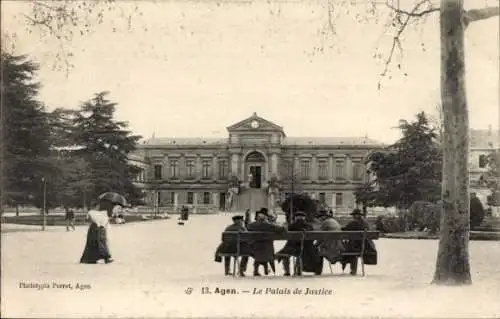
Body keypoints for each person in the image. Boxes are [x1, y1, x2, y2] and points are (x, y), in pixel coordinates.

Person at [276, 211, 322, 276]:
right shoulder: (309, 226)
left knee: (284, 254)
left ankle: (287, 271)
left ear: (295, 218)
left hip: (292, 247)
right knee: (300, 253)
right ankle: (298, 271)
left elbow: (289, 238)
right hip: (306, 248)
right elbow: (312, 239)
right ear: (304, 218)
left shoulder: (291, 226)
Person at [247, 210, 287, 276]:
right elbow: (280, 229)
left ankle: (256, 270)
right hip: (268, 249)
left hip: (255, 249)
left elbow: (247, 228)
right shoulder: (269, 226)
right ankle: (269, 269)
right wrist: (284, 227)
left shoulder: (252, 225)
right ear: (265, 218)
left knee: (257, 248)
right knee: (267, 246)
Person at [341, 208, 378, 275]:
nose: (353, 216)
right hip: (365, 246)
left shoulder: (353, 222)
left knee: (349, 248)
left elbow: (344, 230)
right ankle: (353, 270)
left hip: (355, 246)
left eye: (354, 215)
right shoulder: (365, 223)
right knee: (353, 246)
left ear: (356, 215)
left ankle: (353, 270)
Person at [79, 199, 115, 264]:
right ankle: (105, 258)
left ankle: (92, 258)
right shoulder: (102, 213)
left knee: (92, 243)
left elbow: (87, 220)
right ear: (96, 206)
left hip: (93, 228)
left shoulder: (91, 212)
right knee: (100, 242)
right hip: (99, 228)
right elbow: (106, 220)